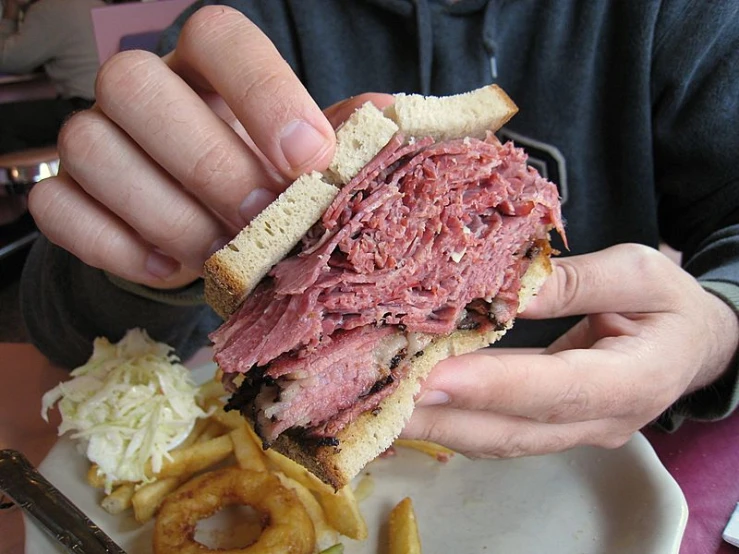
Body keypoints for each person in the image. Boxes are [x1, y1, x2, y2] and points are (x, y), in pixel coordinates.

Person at [20, 0, 739, 459]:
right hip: (335, 448)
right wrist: (143, 260)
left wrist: (716, 329)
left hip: (628, 472)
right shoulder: (248, 21)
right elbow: (64, 334)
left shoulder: (675, 14)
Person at [0, 0, 103, 154]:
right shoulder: (96, 2)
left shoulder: (47, 9)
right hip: (102, 104)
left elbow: (8, 60)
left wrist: (10, 14)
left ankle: (24, 176)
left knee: (3, 119)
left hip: (81, 108)